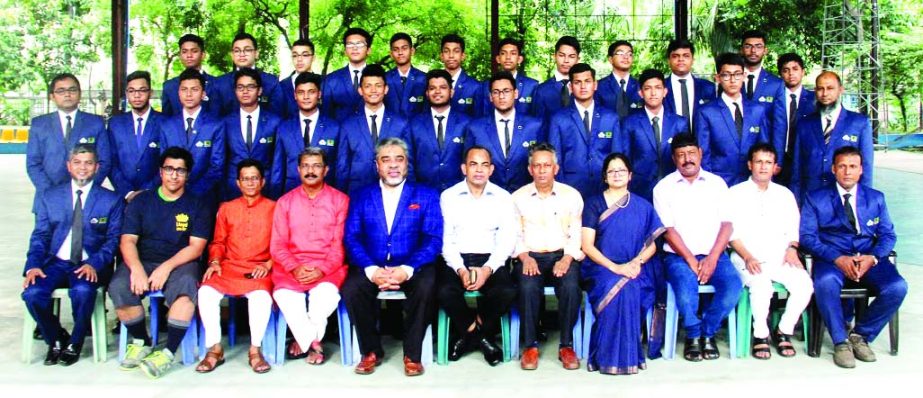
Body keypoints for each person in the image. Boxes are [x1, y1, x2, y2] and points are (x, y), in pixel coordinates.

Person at [341, 138, 442, 376]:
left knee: (427, 286)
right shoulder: (361, 195)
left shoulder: (426, 195)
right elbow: (352, 237)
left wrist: (407, 268)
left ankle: (412, 354)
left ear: (408, 164)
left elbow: (433, 240)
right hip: (373, 264)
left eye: (399, 159)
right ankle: (370, 351)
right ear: (377, 165)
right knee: (352, 289)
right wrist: (371, 270)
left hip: (412, 264)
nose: (393, 165)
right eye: (386, 160)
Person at [800, 146, 907, 369]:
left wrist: (873, 257)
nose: (847, 172)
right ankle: (840, 342)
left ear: (861, 170)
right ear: (833, 169)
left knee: (897, 287)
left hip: (868, 258)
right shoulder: (815, 198)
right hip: (833, 259)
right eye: (842, 166)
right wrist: (838, 258)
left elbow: (888, 235)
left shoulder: (876, 198)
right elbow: (808, 237)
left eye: (852, 166)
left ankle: (860, 336)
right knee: (825, 282)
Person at [109, 147, 211, 378]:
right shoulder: (141, 201)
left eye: (180, 170)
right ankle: (141, 340)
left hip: (180, 261)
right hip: (143, 260)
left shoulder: (198, 204)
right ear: (160, 171)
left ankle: (167, 352)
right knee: (119, 286)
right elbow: (127, 240)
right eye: (169, 169)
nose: (174, 175)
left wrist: (166, 267)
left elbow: (196, 247)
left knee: (186, 289)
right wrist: (135, 269)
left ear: (188, 174)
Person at [22, 144, 123, 366]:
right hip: (55, 262)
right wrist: (33, 265)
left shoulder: (111, 199)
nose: (82, 168)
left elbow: (113, 240)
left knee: (82, 290)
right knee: (32, 293)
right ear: (69, 166)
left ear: (97, 167)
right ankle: (56, 338)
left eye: (88, 163)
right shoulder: (50, 196)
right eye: (77, 162)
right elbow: (40, 236)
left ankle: (75, 343)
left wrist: (95, 264)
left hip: (89, 263)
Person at [652, 133, 742, 362]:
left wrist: (712, 258)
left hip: (715, 254)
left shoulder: (717, 184)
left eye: (691, 153)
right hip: (679, 257)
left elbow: (727, 224)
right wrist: (692, 260)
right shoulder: (663, 188)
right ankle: (693, 334)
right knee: (684, 289)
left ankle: (708, 332)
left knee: (733, 286)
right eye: (681, 155)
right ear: (674, 159)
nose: (687, 159)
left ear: (700, 154)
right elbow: (668, 230)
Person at [581, 153, 664, 375]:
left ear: (630, 175)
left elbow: (652, 245)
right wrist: (616, 267)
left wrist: (636, 263)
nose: (616, 174)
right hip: (601, 268)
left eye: (621, 170)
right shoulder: (594, 203)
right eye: (611, 171)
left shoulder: (643, 206)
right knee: (617, 288)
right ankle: (606, 358)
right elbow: (587, 246)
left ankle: (629, 357)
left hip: (636, 266)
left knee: (631, 287)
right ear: (605, 177)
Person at [727, 143, 813, 359]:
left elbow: (794, 229)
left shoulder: (785, 195)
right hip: (746, 256)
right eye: (759, 162)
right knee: (761, 284)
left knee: (804, 284)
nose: (763, 167)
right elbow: (730, 234)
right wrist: (747, 256)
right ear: (750, 165)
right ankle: (760, 335)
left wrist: (793, 249)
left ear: (775, 167)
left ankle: (783, 330)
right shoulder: (734, 193)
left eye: (768, 162)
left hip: (780, 256)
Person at [438, 145, 517, 366]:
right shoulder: (449, 196)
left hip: (490, 259)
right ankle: (480, 337)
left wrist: (487, 269)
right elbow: (446, 240)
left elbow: (507, 239)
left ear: (492, 169)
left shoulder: (503, 197)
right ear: (464, 168)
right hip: (457, 258)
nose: (479, 170)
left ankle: (467, 336)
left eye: (484, 165)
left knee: (507, 291)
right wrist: (461, 269)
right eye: (473, 164)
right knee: (444, 291)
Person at [270, 147, 350, 366]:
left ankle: (302, 340)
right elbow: (277, 245)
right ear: (298, 170)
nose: (310, 171)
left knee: (323, 299)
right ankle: (314, 342)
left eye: (316, 166)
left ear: (326, 170)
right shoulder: (285, 202)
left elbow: (339, 245)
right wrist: (295, 267)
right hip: (291, 268)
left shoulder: (340, 200)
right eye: (306, 166)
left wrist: (321, 269)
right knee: (287, 298)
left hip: (328, 268)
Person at [196, 159, 276, 374]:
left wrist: (269, 264)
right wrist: (214, 262)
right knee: (206, 291)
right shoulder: (226, 208)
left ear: (263, 182)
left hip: (260, 269)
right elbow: (218, 242)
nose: (250, 183)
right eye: (245, 179)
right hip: (229, 268)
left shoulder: (275, 208)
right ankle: (215, 349)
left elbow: (282, 243)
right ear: (238, 183)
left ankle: (255, 350)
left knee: (261, 297)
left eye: (254, 178)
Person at [511, 143, 584, 371]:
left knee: (571, 286)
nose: (542, 170)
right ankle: (530, 346)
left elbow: (576, 233)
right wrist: (524, 256)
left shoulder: (571, 196)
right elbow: (514, 234)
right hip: (530, 255)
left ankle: (566, 345)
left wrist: (567, 258)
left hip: (562, 255)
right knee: (527, 287)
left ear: (556, 168)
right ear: (530, 169)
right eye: (537, 166)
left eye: (547, 165)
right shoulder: (517, 197)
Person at [27, 73, 109, 213]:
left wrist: (85, 189)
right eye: (61, 91)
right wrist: (53, 194)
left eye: (72, 90)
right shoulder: (39, 125)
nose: (67, 94)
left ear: (79, 93)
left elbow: (105, 161)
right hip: (48, 199)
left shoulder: (95, 123)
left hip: (86, 198)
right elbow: (33, 164)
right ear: (52, 96)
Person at [790, 71, 873, 203]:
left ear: (841, 90)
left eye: (830, 88)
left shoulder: (859, 123)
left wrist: (865, 202)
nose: (825, 94)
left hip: (845, 199)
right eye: (820, 89)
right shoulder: (804, 124)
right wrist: (795, 202)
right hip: (811, 199)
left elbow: (866, 168)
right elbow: (796, 169)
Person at [694, 53, 772, 186]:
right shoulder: (706, 112)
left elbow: (764, 150)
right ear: (717, 78)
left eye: (737, 74)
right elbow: (704, 154)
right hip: (720, 182)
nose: (732, 80)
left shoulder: (757, 110)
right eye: (726, 75)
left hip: (752, 182)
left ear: (744, 76)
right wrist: (709, 184)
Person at [547, 63, 623, 197]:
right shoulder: (558, 119)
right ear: (570, 87)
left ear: (595, 84)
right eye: (577, 82)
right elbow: (555, 159)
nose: (583, 86)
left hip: (605, 187)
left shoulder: (610, 118)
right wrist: (562, 191)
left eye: (587, 81)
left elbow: (617, 157)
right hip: (571, 188)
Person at [465, 71, 544, 193]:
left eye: (506, 91)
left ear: (516, 93)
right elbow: (468, 165)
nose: (501, 96)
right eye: (496, 92)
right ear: (490, 97)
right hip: (488, 196)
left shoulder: (535, 125)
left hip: (526, 195)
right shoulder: (475, 127)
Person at [336, 64, 411, 193]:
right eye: (368, 86)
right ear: (360, 90)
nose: (373, 90)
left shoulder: (401, 123)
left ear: (386, 89)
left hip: (394, 191)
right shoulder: (348, 125)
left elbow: (409, 163)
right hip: (357, 191)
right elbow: (342, 166)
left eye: (378, 85)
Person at [622, 69, 689, 201]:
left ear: (665, 92)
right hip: (640, 189)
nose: (653, 93)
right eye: (648, 88)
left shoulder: (679, 123)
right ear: (641, 93)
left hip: (674, 188)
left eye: (658, 88)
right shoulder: (629, 123)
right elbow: (625, 158)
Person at [159, 68, 226, 200]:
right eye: (184, 89)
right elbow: (163, 163)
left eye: (194, 89)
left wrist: (193, 193)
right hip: (172, 195)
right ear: (178, 93)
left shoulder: (215, 125)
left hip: (205, 196)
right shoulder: (167, 126)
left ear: (203, 94)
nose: (189, 94)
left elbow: (217, 166)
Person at [272, 72, 341, 197]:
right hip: (291, 194)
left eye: (311, 92)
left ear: (319, 94)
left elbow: (340, 167)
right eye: (301, 92)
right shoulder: (284, 128)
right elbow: (278, 168)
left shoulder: (334, 127)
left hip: (325, 196)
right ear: (295, 95)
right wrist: (276, 198)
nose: (306, 97)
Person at [221, 68, 281, 200]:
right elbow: (221, 160)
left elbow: (277, 161)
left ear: (259, 90)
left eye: (250, 87)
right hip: (233, 189)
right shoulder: (225, 122)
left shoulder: (275, 122)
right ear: (235, 91)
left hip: (266, 189)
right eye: (240, 87)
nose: (245, 91)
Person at [407, 69, 472, 191]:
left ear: (451, 92)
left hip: (459, 192)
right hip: (424, 191)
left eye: (442, 87)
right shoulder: (414, 124)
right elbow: (409, 161)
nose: (437, 91)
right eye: (432, 88)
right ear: (427, 93)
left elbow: (470, 159)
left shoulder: (466, 123)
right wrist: (414, 190)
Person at [108, 71, 164, 200]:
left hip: (156, 195)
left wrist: (147, 190)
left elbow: (168, 160)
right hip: (123, 196)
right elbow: (111, 162)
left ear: (150, 92)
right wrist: (127, 192)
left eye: (142, 90)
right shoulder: (115, 123)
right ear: (127, 94)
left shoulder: (164, 122)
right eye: (132, 91)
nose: (137, 95)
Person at [215, 32, 284, 117]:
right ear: (232, 55)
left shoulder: (271, 82)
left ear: (256, 53)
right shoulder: (219, 83)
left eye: (247, 50)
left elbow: (277, 115)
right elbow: (214, 117)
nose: (242, 54)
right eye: (237, 51)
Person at [773, 52, 815, 185]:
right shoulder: (774, 99)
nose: (791, 74)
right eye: (786, 70)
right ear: (780, 74)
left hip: (804, 159)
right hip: (778, 160)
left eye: (795, 69)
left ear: (803, 72)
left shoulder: (814, 100)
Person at [161, 34, 221, 116]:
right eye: (184, 52)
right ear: (180, 56)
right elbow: (166, 119)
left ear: (203, 55)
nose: (189, 56)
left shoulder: (217, 84)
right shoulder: (169, 86)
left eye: (194, 51)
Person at [663, 39, 716, 128]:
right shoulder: (660, 87)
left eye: (686, 56)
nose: (681, 59)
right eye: (675, 56)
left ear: (693, 59)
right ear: (668, 60)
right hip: (670, 140)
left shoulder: (708, 87)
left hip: (700, 140)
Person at [322, 27, 372, 121]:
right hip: (340, 134)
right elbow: (326, 114)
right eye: (350, 44)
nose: (354, 48)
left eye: (359, 44)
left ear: (368, 50)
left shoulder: (379, 78)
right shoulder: (331, 80)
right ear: (345, 51)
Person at [532, 36, 581, 123]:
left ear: (578, 59)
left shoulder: (585, 88)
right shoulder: (542, 90)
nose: (566, 60)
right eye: (561, 55)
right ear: (554, 56)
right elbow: (539, 125)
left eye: (571, 56)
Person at [491, 37, 539, 115]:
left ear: (519, 59)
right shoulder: (486, 86)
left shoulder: (532, 86)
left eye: (513, 53)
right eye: (503, 53)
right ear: (498, 59)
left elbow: (536, 117)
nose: (508, 57)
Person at [440, 34, 483, 118]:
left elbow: (479, 120)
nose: (451, 55)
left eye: (456, 51)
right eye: (446, 51)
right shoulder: (432, 84)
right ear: (441, 56)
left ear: (463, 56)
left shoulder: (475, 86)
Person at [385, 33, 427, 118]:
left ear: (412, 51)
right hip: (392, 129)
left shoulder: (423, 78)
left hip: (417, 128)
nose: (400, 52)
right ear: (391, 54)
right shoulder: (385, 78)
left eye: (404, 48)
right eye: (396, 49)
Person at [597, 40, 643, 118]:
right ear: (610, 59)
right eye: (620, 53)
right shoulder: (599, 86)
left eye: (629, 54)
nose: (626, 57)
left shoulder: (641, 86)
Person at [739, 30, 784, 104]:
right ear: (741, 50)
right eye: (748, 46)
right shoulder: (731, 79)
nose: (753, 50)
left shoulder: (776, 84)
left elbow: (779, 115)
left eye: (758, 46)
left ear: (765, 51)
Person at [279, 38, 316, 120]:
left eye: (305, 55)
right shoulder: (281, 86)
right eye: (295, 55)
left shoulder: (324, 83)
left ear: (313, 58)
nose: (299, 59)